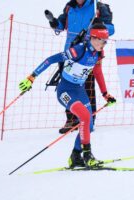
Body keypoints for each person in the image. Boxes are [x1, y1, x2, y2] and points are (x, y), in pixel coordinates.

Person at [19, 23, 116, 168]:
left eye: (106, 41)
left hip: (79, 91)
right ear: (94, 38)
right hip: (65, 91)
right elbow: (51, 59)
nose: (104, 44)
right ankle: (88, 156)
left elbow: (97, 72)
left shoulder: (98, 54)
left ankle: (75, 157)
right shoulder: (79, 50)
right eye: (102, 40)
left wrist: (105, 94)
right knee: (84, 116)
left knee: (88, 124)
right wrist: (32, 77)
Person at [48, 0, 115, 134]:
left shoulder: (99, 6)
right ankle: (71, 119)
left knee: (88, 86)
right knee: (69, 87)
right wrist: (54, 23)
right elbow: (61, 26)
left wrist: (99, 25)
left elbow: (111, 29)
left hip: (90, 52)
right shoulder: (69, 7)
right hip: (70, 53)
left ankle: (89, 120)